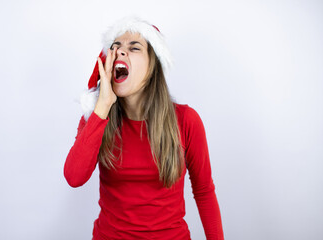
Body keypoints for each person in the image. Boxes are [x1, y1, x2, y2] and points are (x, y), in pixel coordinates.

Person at [64, 16, 224, 240]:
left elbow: (204, 191)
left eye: (134, 47)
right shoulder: (97, 119)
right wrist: (101, 107)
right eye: (115, 47)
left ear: (152, 65)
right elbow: (74, 177)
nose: (120, 51)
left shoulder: (187, 120)